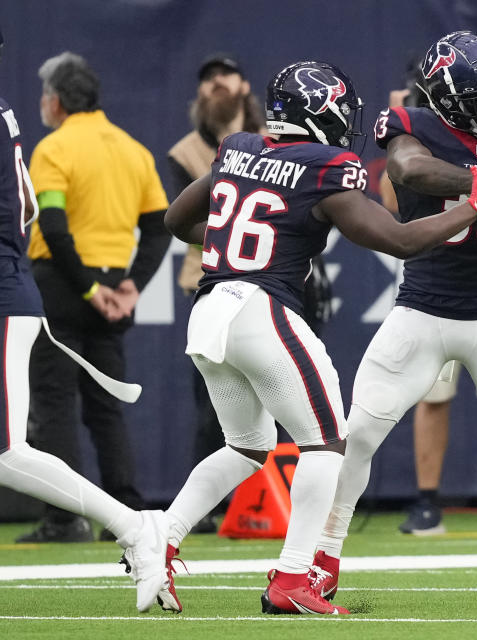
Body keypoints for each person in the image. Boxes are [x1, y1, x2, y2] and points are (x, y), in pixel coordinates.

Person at [160, 60, 477, 616]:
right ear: (321, 112)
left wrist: (242, 246)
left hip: (209, 310)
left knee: (245, 448)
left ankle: (159, 540)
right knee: (329, 440)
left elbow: (176, 219)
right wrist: (476, 205)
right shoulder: (326, 165)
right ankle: (292, 578)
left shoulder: (238, 147)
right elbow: (400, 241)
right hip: (260, 309)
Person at [312, 31, 477, 596]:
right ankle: (321, 560)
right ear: (446, 99)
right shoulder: (412, 124)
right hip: (421, 312)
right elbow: (408, 171)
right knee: (358, 435)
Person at [0, 31, 167, 614]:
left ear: (58, 100)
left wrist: (90, 288)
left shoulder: (55, 147)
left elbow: (51, 223)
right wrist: (127, 287)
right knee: (104, 410)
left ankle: (77, 520)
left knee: (45, 414)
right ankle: (124, 505)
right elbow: (160, 224)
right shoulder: (132, 148)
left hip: (54, 286)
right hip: (103, 287)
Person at [379, 72, 477, 536]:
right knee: (433, 397)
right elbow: (394, 197)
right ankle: (428, 501)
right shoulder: (415, 129)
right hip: (433, 283)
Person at [168, 52, 265, 534]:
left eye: (224, 75)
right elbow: (181, 222)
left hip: (275, 285)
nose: (215, 85)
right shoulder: (186, 151)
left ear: (244, 84)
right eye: (207, 79)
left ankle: (266, 502)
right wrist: (252, 228)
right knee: (217, 410)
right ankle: (205, 511)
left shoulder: (277, 142)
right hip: (213, 286)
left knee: (285, 403)